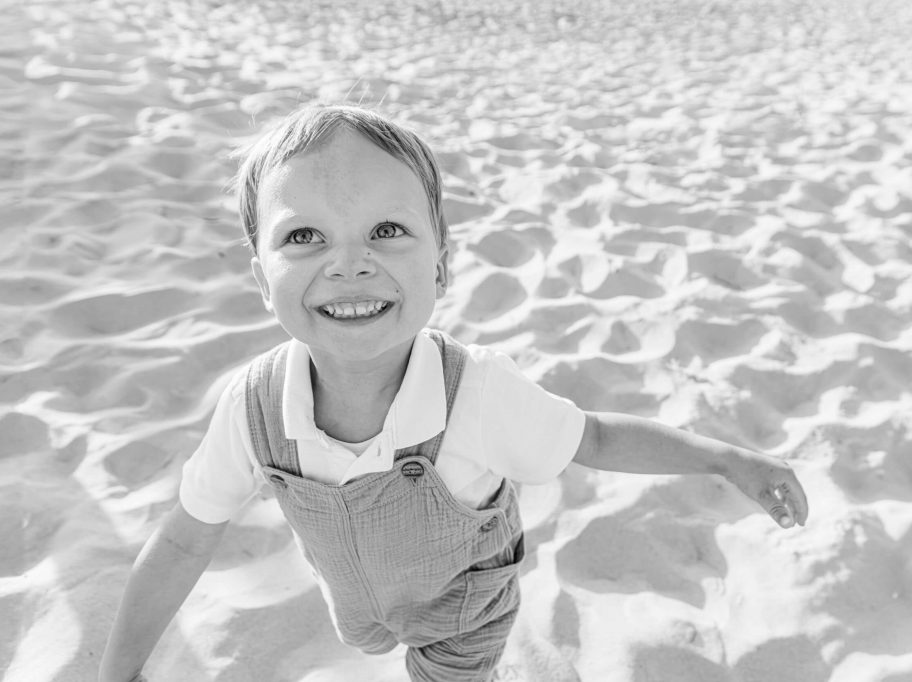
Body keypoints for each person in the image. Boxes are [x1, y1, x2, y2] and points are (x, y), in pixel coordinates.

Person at [99, 104, 809, 682]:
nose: (350, 264)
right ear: (261, 278)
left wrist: (726, 459)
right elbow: (184, 542)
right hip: (360, 598)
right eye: (305, 236)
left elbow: (592, 437)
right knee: (372, 636)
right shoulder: (253, 408)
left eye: (387, 230)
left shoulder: (477, 393)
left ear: (442, 266)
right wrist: (116, 674)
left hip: (462, 609)